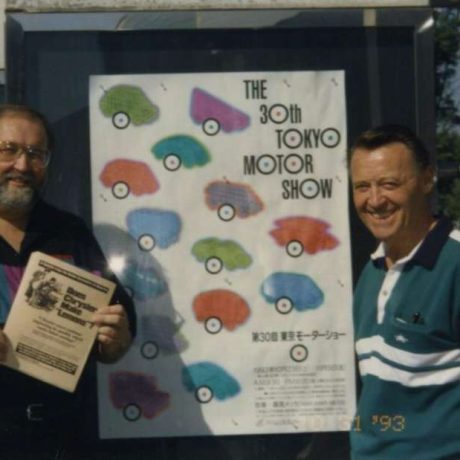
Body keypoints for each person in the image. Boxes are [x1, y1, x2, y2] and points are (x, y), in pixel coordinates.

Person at [0, 104, 136, 459]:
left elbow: (118, 313)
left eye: (35, 154)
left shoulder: (68, 231)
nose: (22, 165)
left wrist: (117, 338)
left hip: (64, 439)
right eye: (8, 150)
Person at [348, 124, 460, 459]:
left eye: (389, 184)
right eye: (362, 187)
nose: (375, 200)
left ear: (427, 179)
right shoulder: (372, 271)